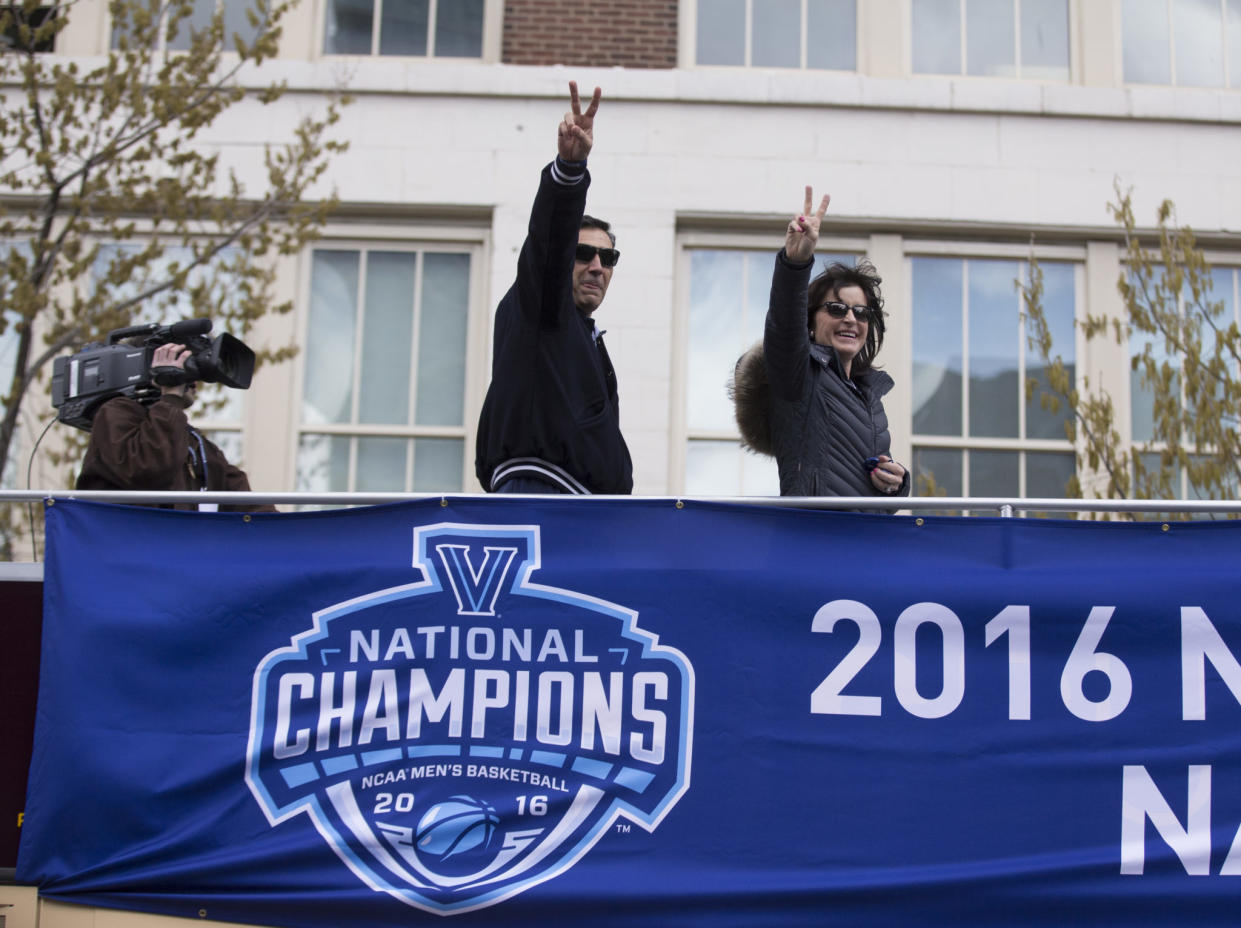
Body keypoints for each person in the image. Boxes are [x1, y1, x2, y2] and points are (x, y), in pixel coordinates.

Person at [474, 81, 633, 495]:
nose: (597, 267)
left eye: (608, 258)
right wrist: (569, 171)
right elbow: (547, 244)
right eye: (582, 253)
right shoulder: (542, 308)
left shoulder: (584, 335)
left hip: (587, 513)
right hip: (540, 497)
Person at [735, 186, 909, 501]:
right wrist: (795, 262)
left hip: (863, 542)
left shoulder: (870, 396)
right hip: (812, 538)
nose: (851, 319)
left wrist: (897, 483)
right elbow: (785, 326)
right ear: (811, 323)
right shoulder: (798, 374)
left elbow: (876, 497)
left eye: (861, 312)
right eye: (837, 308)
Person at [76, 342, 275, 512]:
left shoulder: (193, 440)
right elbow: (148, 470)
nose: (194, 379)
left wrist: (295, 534)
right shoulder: (116, 412)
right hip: (125, 551)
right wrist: (171, 393)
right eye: (185, 364)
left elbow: (246, 505)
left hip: (176, 552)